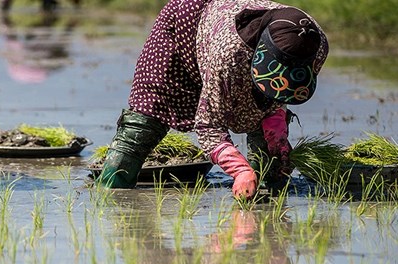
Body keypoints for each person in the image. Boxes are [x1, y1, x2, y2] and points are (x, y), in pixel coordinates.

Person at [97, 0, 329, 199]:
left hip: (225, 34)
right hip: (187, 26)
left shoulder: (315, 44)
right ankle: (111, 192)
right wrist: (239, 170)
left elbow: (277, 96)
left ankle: (267, 199)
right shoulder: (229, 55)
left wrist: (276, 130)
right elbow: (209, 126)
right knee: (146, 119)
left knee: (271, 153)